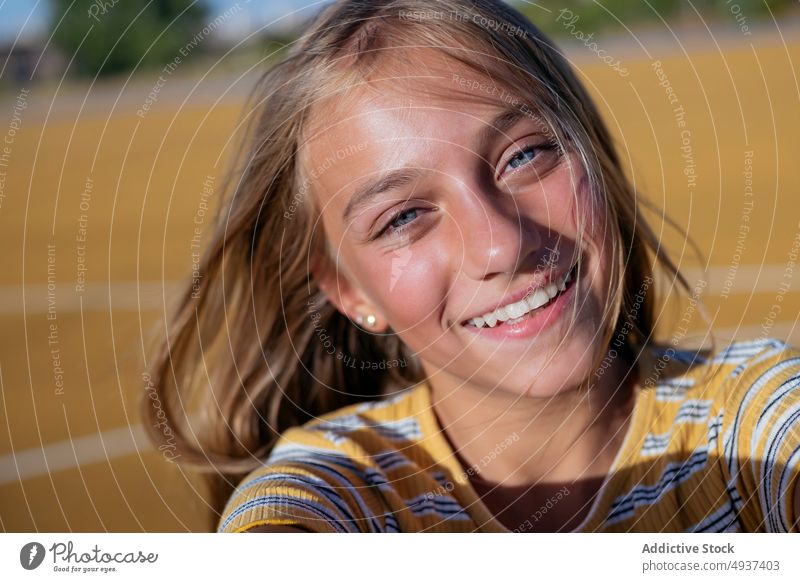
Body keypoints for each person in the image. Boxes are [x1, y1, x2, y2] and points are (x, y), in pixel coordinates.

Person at [143, 0, 800, 533]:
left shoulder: (753, 420)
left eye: (525, 156)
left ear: (595, 158)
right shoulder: (336, 495)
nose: (500, 246)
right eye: (402, 217)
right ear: (347, 289)